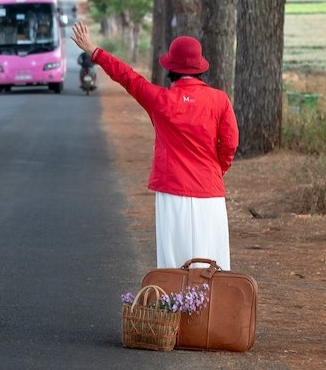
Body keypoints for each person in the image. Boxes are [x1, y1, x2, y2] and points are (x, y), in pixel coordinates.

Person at [71, 21, 239, 270]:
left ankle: (174, 308)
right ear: (200, 68)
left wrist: (94, 50)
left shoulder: (160, 100)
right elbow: (229, 145)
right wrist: (215, 172)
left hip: (172, 191)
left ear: (170, 67)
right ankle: (213, 309)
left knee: (173, 264)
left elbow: (127, 76)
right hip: (209, 192)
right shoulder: (219, 100)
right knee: (213, 265)